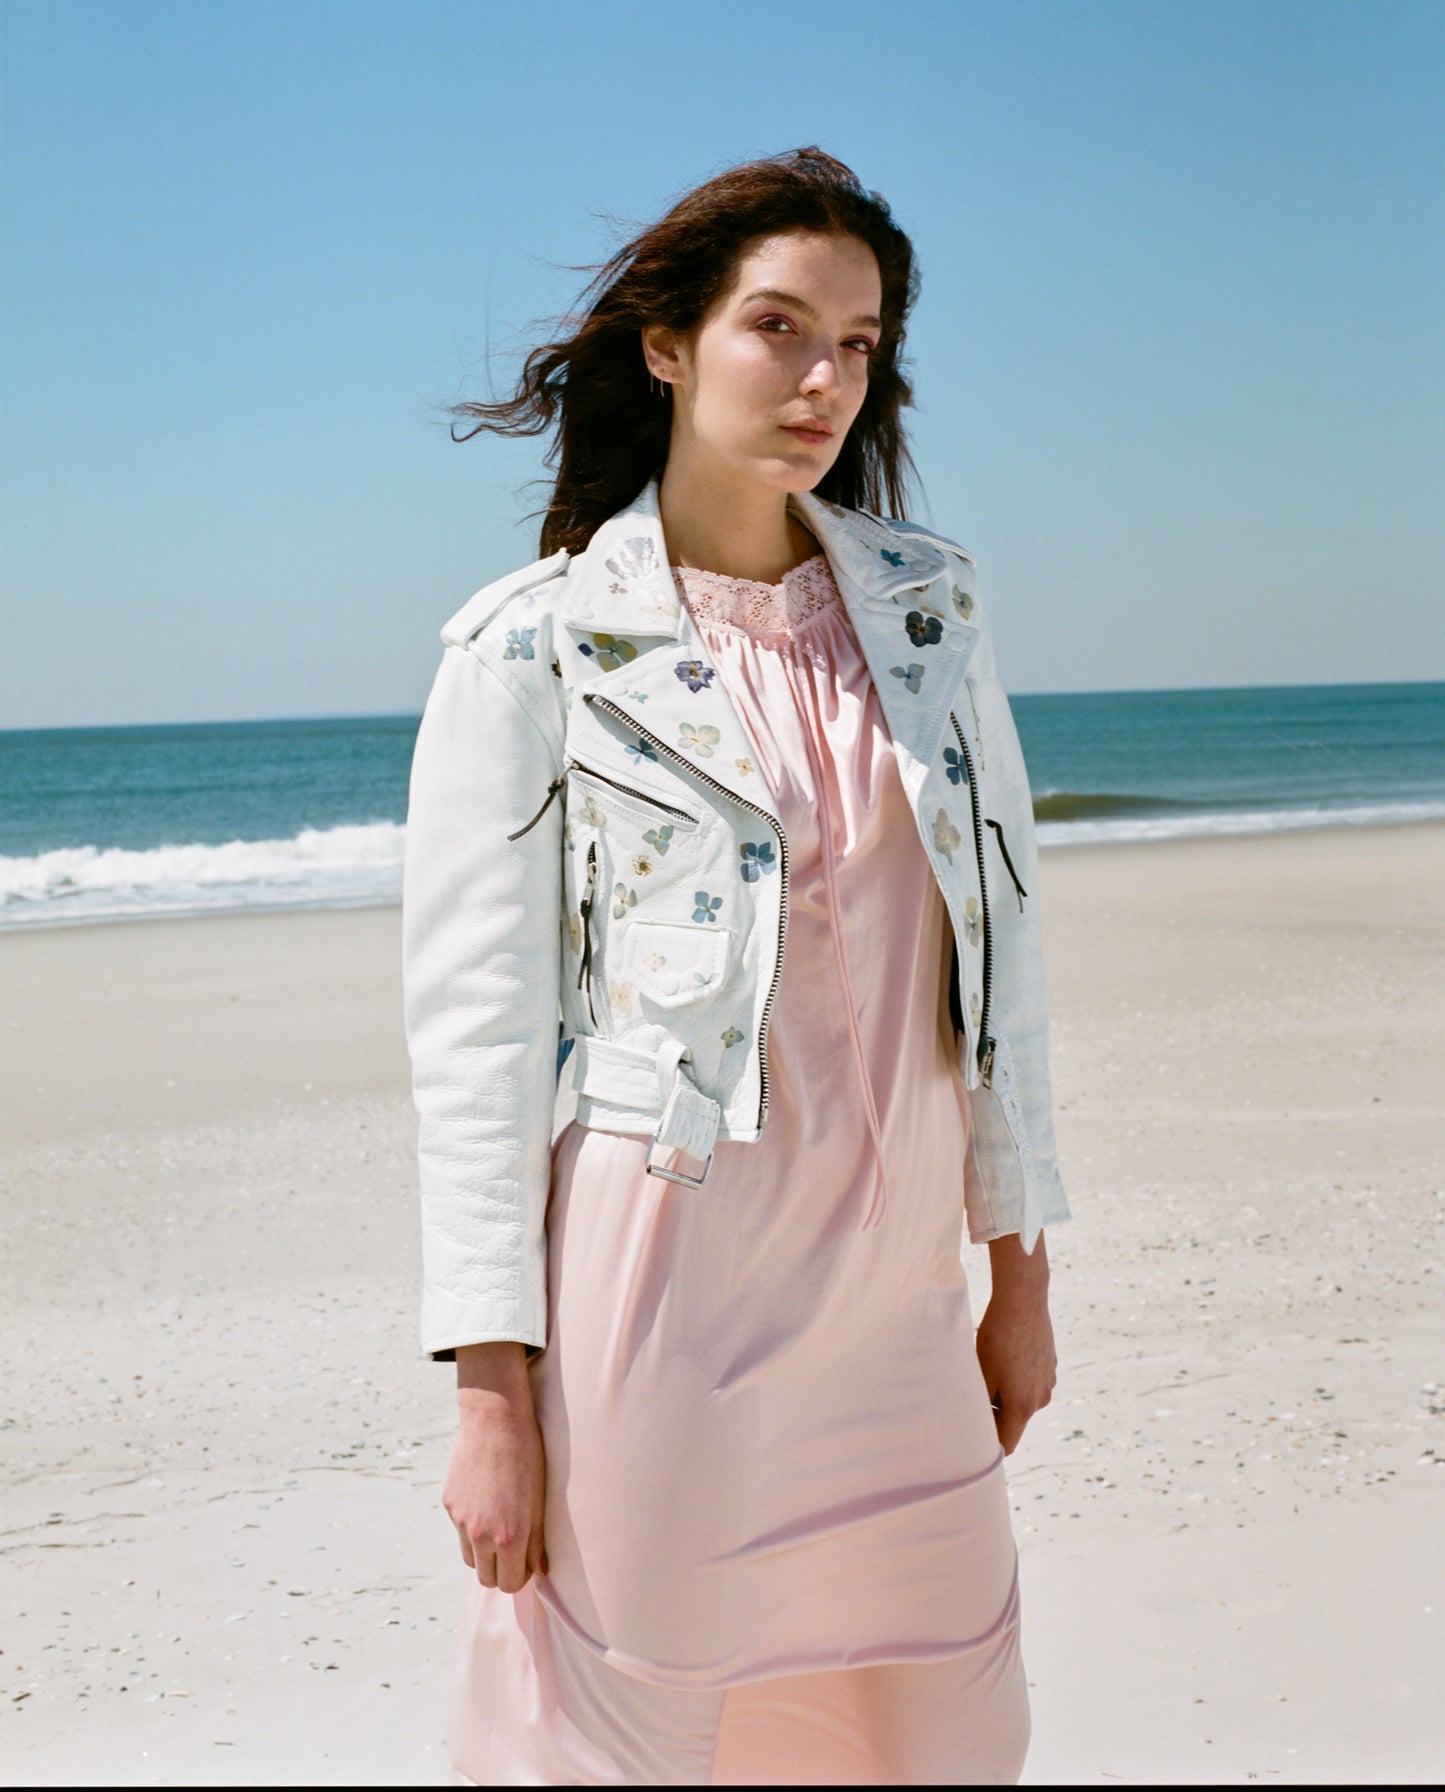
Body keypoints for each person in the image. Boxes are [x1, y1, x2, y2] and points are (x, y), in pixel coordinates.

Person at [402, 146, 1070, 1786]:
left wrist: (1021, 1273)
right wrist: (491, 1391)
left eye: (858, 344)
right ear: (667, 343)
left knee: (947, 1744)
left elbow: (1005, 954)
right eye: (779, 327)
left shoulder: (930, 612)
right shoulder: (532, 647)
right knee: (640, 1750)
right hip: (667, 1311)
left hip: (902, 1311)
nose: (825, 378)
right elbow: (481, 1039)